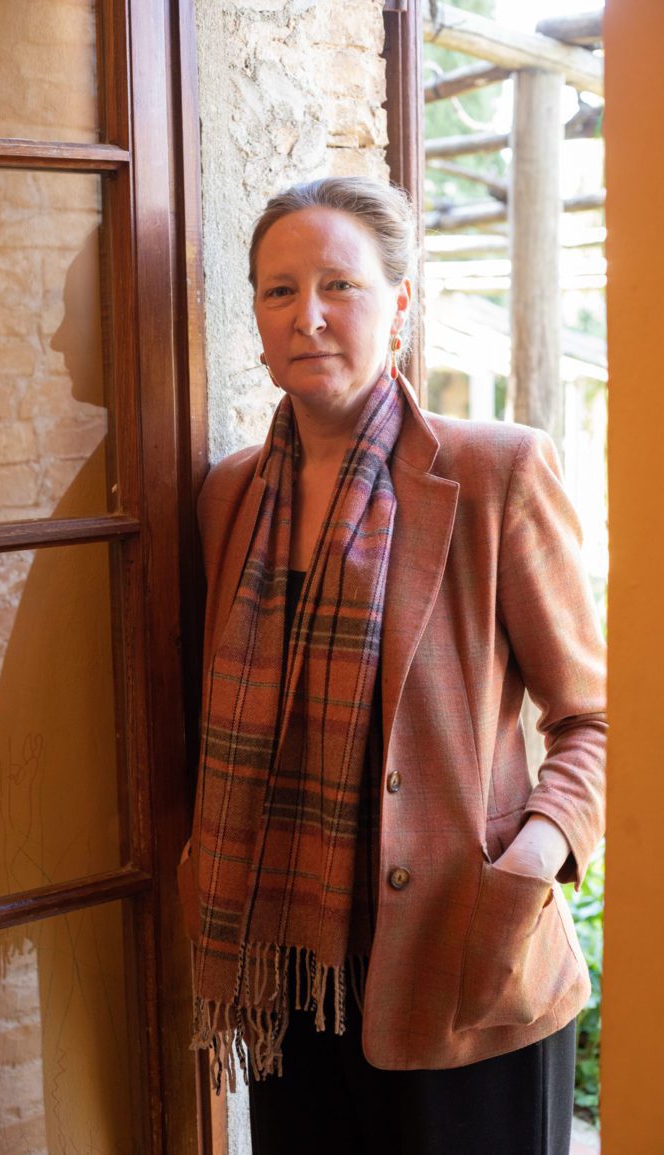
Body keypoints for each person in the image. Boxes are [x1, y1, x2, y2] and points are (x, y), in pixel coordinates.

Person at [178, 177, 606, 1155]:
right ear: (253, 314)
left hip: (462, 957)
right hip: (295, 964)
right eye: (278, 290)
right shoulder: (229, 496)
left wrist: (530, 864)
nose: (309, 315)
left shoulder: (496, 473)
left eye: (340, 285)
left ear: (399, 305)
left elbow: (594, 715)